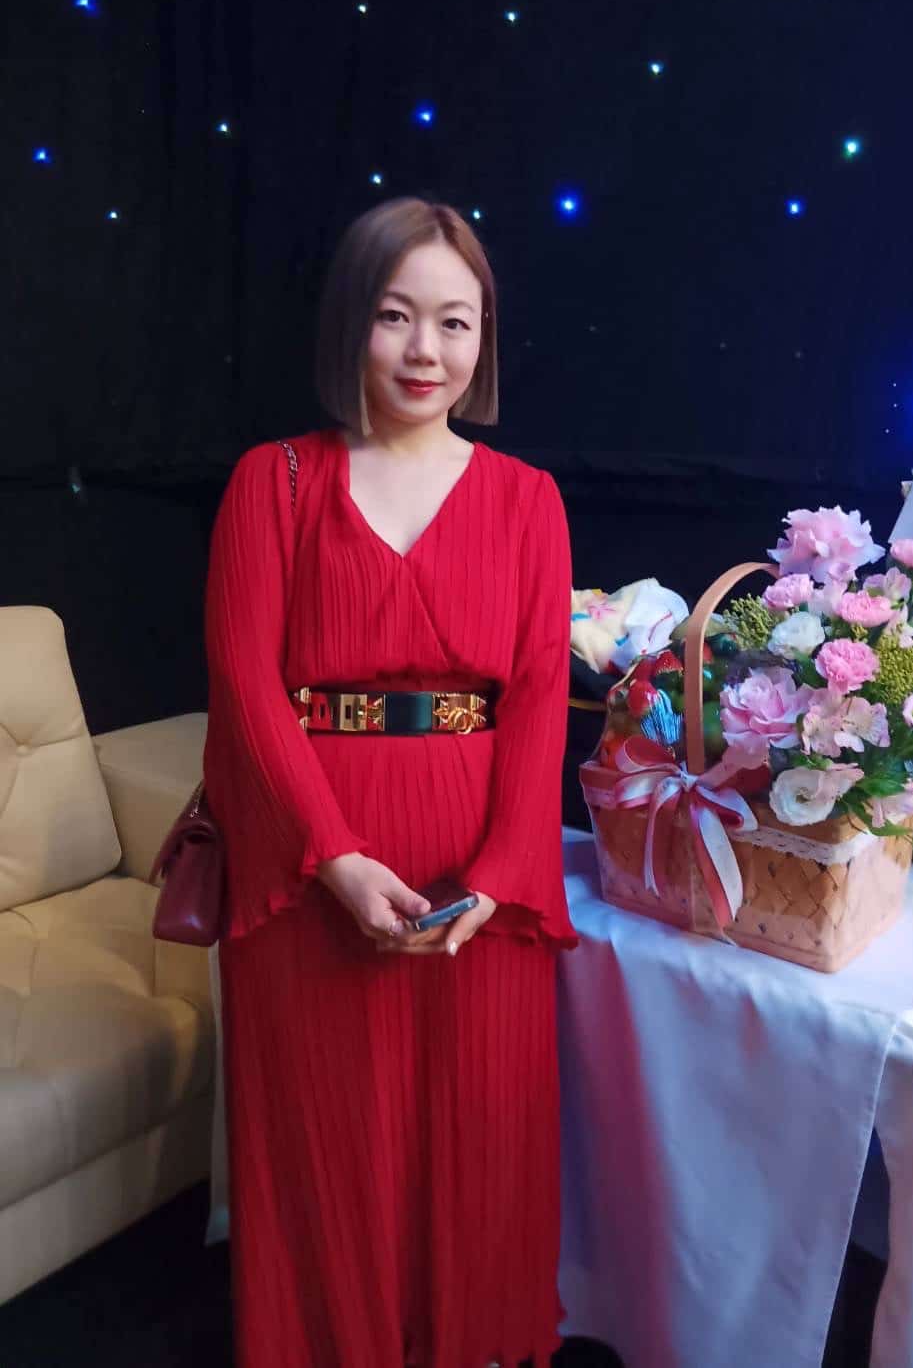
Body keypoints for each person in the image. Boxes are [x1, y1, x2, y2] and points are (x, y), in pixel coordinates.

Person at [203, 197, 577, 1368]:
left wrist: (501, 874)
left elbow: (539, 697)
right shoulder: (272, 481)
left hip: (478, 872)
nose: (426, 350)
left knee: (477, 1138)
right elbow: (245, 684)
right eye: (395, 315)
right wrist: (332, 856)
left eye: (455, 322)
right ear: (348, 324)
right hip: (310, 856)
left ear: (483, 338)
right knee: (326, 1141)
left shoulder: (528, 498)